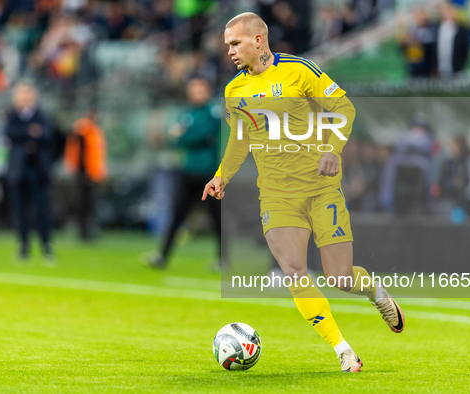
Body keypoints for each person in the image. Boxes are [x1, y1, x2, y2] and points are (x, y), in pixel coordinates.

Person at [202, 12, 405, 373]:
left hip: (320, 190)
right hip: (276, 196)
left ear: (258, 40)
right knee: (295, 271)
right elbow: (240, 138)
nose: (230, 51)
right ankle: (343, 350)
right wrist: (221, 176)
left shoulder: (299, 70)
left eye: (235, 43)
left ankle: (376, 293)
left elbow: (344, 107)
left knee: (340, 278)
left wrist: (332, 148)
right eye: (227, 46)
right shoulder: (235, 90)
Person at [148, 77, 223, 269]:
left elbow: (201, 135)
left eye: (200, 89)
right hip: (187, 171)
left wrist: (185, 134)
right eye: (193, 89)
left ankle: (223, 258)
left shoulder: (212, 112)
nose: (196, 93)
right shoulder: (187, 113)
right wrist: (186, 136)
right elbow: (176, 140)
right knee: (176, 214)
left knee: (218, 216)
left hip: (209, 172)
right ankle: (163, 255)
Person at [5, 82, 54, 261]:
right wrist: (30, 132)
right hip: (19, 170)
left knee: (42, 209)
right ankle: (23, 246)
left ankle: (46, 245)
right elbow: (11, 133)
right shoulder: (12, 115)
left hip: (38, 169)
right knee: (20, 210)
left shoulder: (41, 115)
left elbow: (47, 135)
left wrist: (27, 134)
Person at [64, 108, 108, 241]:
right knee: (85, 203)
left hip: (91, 172)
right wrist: (87, 171)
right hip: (85, 172)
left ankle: (87, 230)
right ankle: (83, 231)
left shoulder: (92, 131)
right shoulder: (84, 131)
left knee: (89, 203)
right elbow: (83, 154)